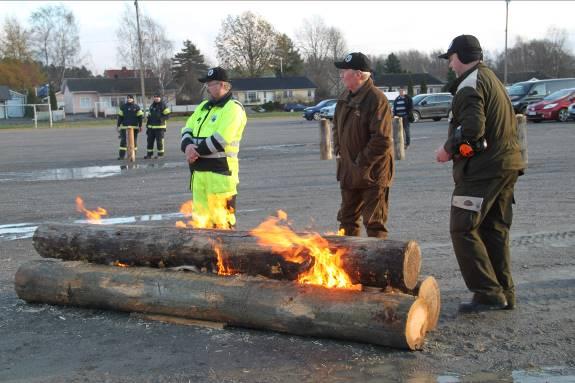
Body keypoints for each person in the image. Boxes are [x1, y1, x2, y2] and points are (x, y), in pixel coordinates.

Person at [435, 35, 525, 312]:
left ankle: (487, 293)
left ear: (461, 56)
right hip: (506, 166)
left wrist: (448, 149)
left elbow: (473, 131)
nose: (450, 64)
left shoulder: (470, 84)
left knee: (462, 228)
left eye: (450, 58)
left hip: (483, 171)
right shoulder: (491, 78)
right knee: (493, 228)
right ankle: (504, 292)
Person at [332, 52, 394, 238]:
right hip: (349, 172)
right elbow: (337, 129)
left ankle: (378, 266)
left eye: (345, 71)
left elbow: (382, 139)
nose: (341, 75)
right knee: (346, 221)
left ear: (358, 74)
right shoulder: (344, 99)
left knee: (374, 223)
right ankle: (347, 265)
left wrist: (360, 161)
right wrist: (339, 151)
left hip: (372, 173)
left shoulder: (376, 99)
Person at [180, 67, 247, 229]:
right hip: (199, 176)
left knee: (223, 226)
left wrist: (195, 151)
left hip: (220, 176)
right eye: (207, 84)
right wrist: (187, 146)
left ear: (224, 85)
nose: (207, 88)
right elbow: (187, 129)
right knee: (201, 225)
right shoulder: (203, 107)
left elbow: (221, 139)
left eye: (211, 84)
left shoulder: (233, 108)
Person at [116, 94, 143, 160]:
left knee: (134, 141)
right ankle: (121, 156)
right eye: (128, 98)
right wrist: (118, 125)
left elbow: (140, 117)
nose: (129, 99)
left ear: (133, 99)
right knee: (123, 141)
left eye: (130, 98)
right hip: (124, 127)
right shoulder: (123, 107)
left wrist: (140, 126)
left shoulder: (137, 107)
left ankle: (133, 155)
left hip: (134, 127)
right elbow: (120, 117)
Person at [145, 93, 171, 159]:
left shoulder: (163, 105)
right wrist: (147, 126)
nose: (156, 98)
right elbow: (149, 117)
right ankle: (149, 155)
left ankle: (160, 155)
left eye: (158, 97)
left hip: (160, 127)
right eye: (155, 97)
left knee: (159, 142)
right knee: (150, 141)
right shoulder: (152, 106)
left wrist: (161, 119)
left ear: (160, 98)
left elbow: (168, 115)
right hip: (151, 128)